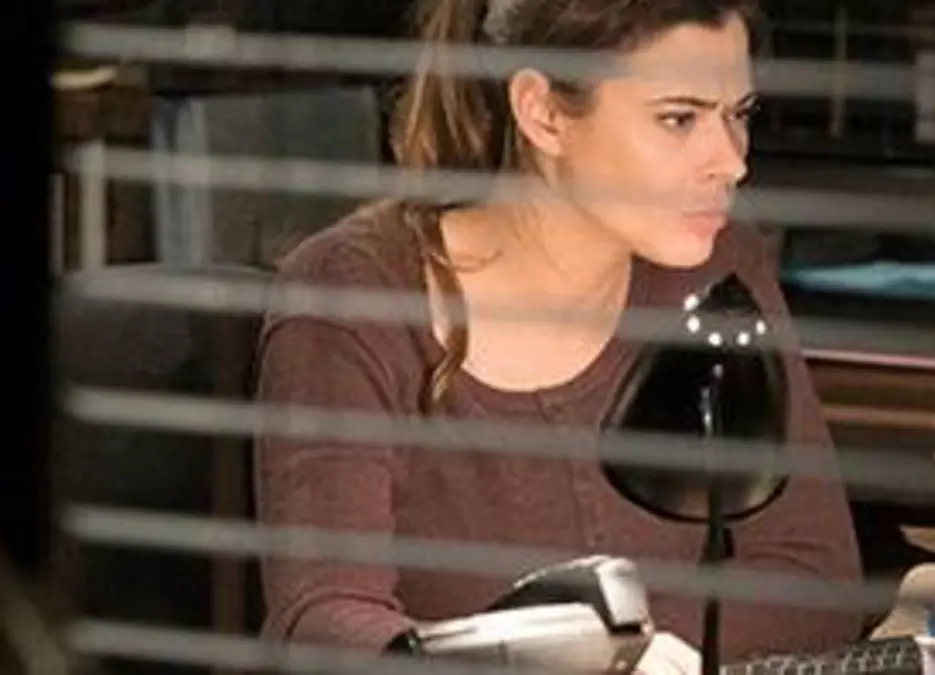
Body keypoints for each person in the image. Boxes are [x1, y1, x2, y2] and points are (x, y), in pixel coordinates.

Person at [253, 0, 864, 670]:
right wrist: (581, 655)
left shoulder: (719, 272)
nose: (730, 162)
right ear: (543, 112)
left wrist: (636, 651)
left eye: (738, 115)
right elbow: (324, 619)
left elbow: (816, 573)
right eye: (679, 119)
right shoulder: (353, 294)